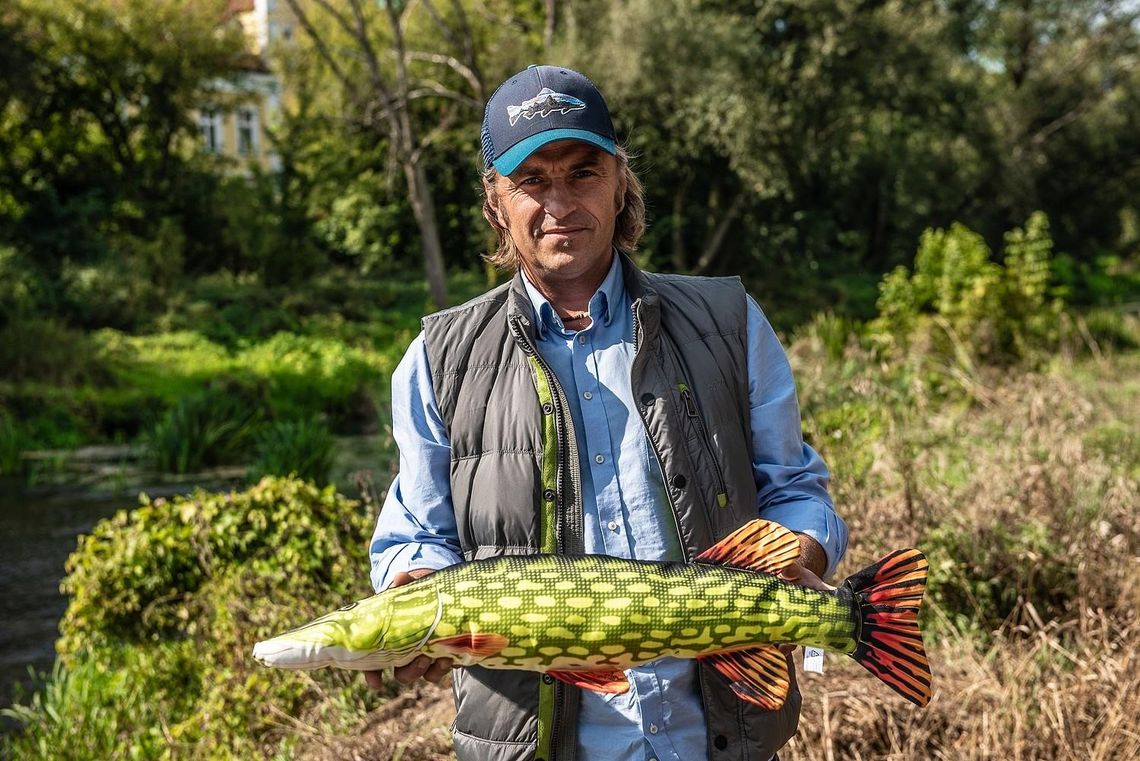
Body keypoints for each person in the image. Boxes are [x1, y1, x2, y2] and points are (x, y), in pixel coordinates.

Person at [365, 64, 847, 761]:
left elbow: (797, 491)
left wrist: (799, 553)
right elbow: (414, 536)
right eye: (532, 180)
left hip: (719, 741)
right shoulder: (436, 359)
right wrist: (415, 597)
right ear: (496, 200)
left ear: (621, 182)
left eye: (583, 172)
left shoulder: (729, 322)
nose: (559, 201)